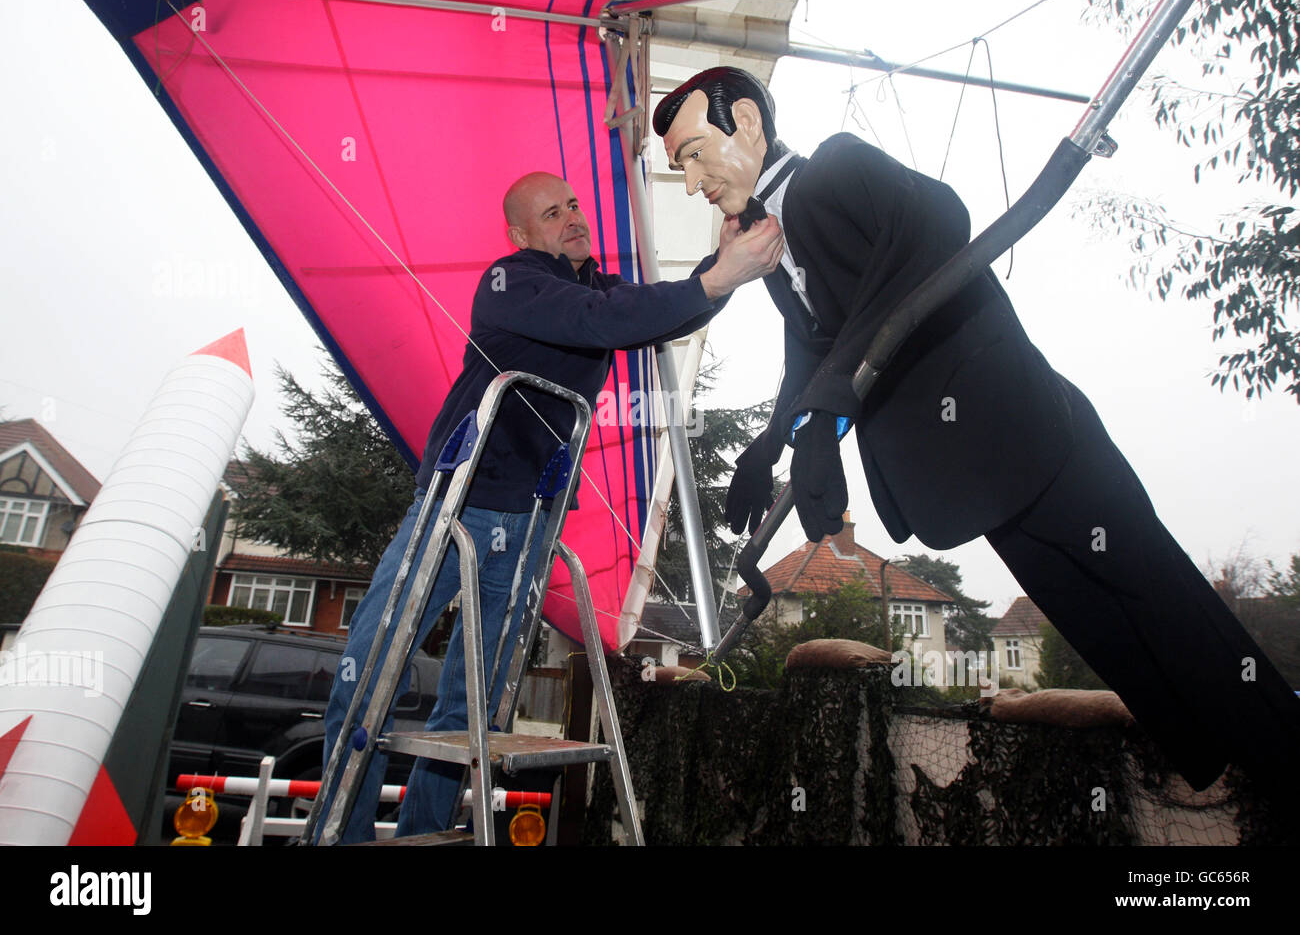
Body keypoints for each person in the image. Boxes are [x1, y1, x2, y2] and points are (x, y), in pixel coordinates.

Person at [654, 67, 1300, 797]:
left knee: (1155, 590)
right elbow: (812, 350)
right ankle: (1217, 771)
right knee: (1095, 621)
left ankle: (1282, 753)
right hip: (969, 473)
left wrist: (829, 407)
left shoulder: (835, 165)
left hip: (1029, 432)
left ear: (745, 119)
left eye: (694, 155)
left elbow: (937, 225)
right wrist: (773, 442)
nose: (692, 181)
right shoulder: (775, 250)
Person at [317, 170, 783, 843]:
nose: (571, 217)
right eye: (550, 212)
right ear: (520, 234)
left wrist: (723, 260)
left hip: (531, 524)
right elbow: (597, 321)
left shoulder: (599, 286)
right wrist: (715, 278)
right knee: (366, 681)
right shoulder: (510, 283)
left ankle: (423, 832)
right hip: (456, 510)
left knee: (473, 707)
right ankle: (340, 837)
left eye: (572, 205)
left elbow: (654, 310)